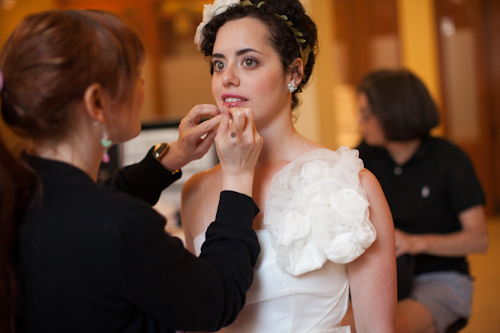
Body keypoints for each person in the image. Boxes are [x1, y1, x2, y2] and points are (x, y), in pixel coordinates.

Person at [0, 9, 264, 333]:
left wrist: (171, 158)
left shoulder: (19, 190)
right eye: (137, 73)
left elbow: (90, 205)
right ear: (97, 101)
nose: (143, 84)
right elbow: (216, 301)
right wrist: (237, 177)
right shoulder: (119, 224)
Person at [181, 1, 397, 332]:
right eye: (219, 64)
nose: (227, 79)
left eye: (249, 62)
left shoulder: (354, 185)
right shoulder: (196, 191)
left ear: (293, 73)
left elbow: (377, 329)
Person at [355, 69, 489, 333]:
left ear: (394, 114)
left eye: (367, 116)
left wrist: (415, 242)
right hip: (383, 274)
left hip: (441, 277)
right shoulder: (365, 155)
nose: (360, 123)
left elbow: (479, 239)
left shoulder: (450, 159)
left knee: (386, 326)